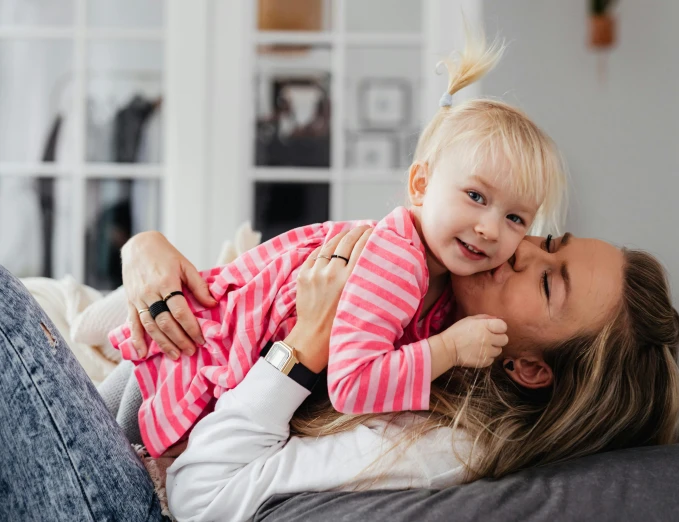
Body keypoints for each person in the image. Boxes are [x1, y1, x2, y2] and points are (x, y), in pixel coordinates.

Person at [108, 28, 567, 457]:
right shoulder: (399, 262)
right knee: (101, 442)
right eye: (475, 196)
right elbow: (352, 384)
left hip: (197, 367)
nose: (490, 228)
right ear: (421, 186)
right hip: (176, 367)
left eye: (514, 217)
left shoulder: (442, 282)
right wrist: (448, 349)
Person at [110, 226, 679, 521]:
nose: (521, 250)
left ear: (530, 368)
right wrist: (144, 250)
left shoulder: (441, 440)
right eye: (549, 240)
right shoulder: (419, 289)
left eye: (546, 282)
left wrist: (307, 341)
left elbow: (199, 495)